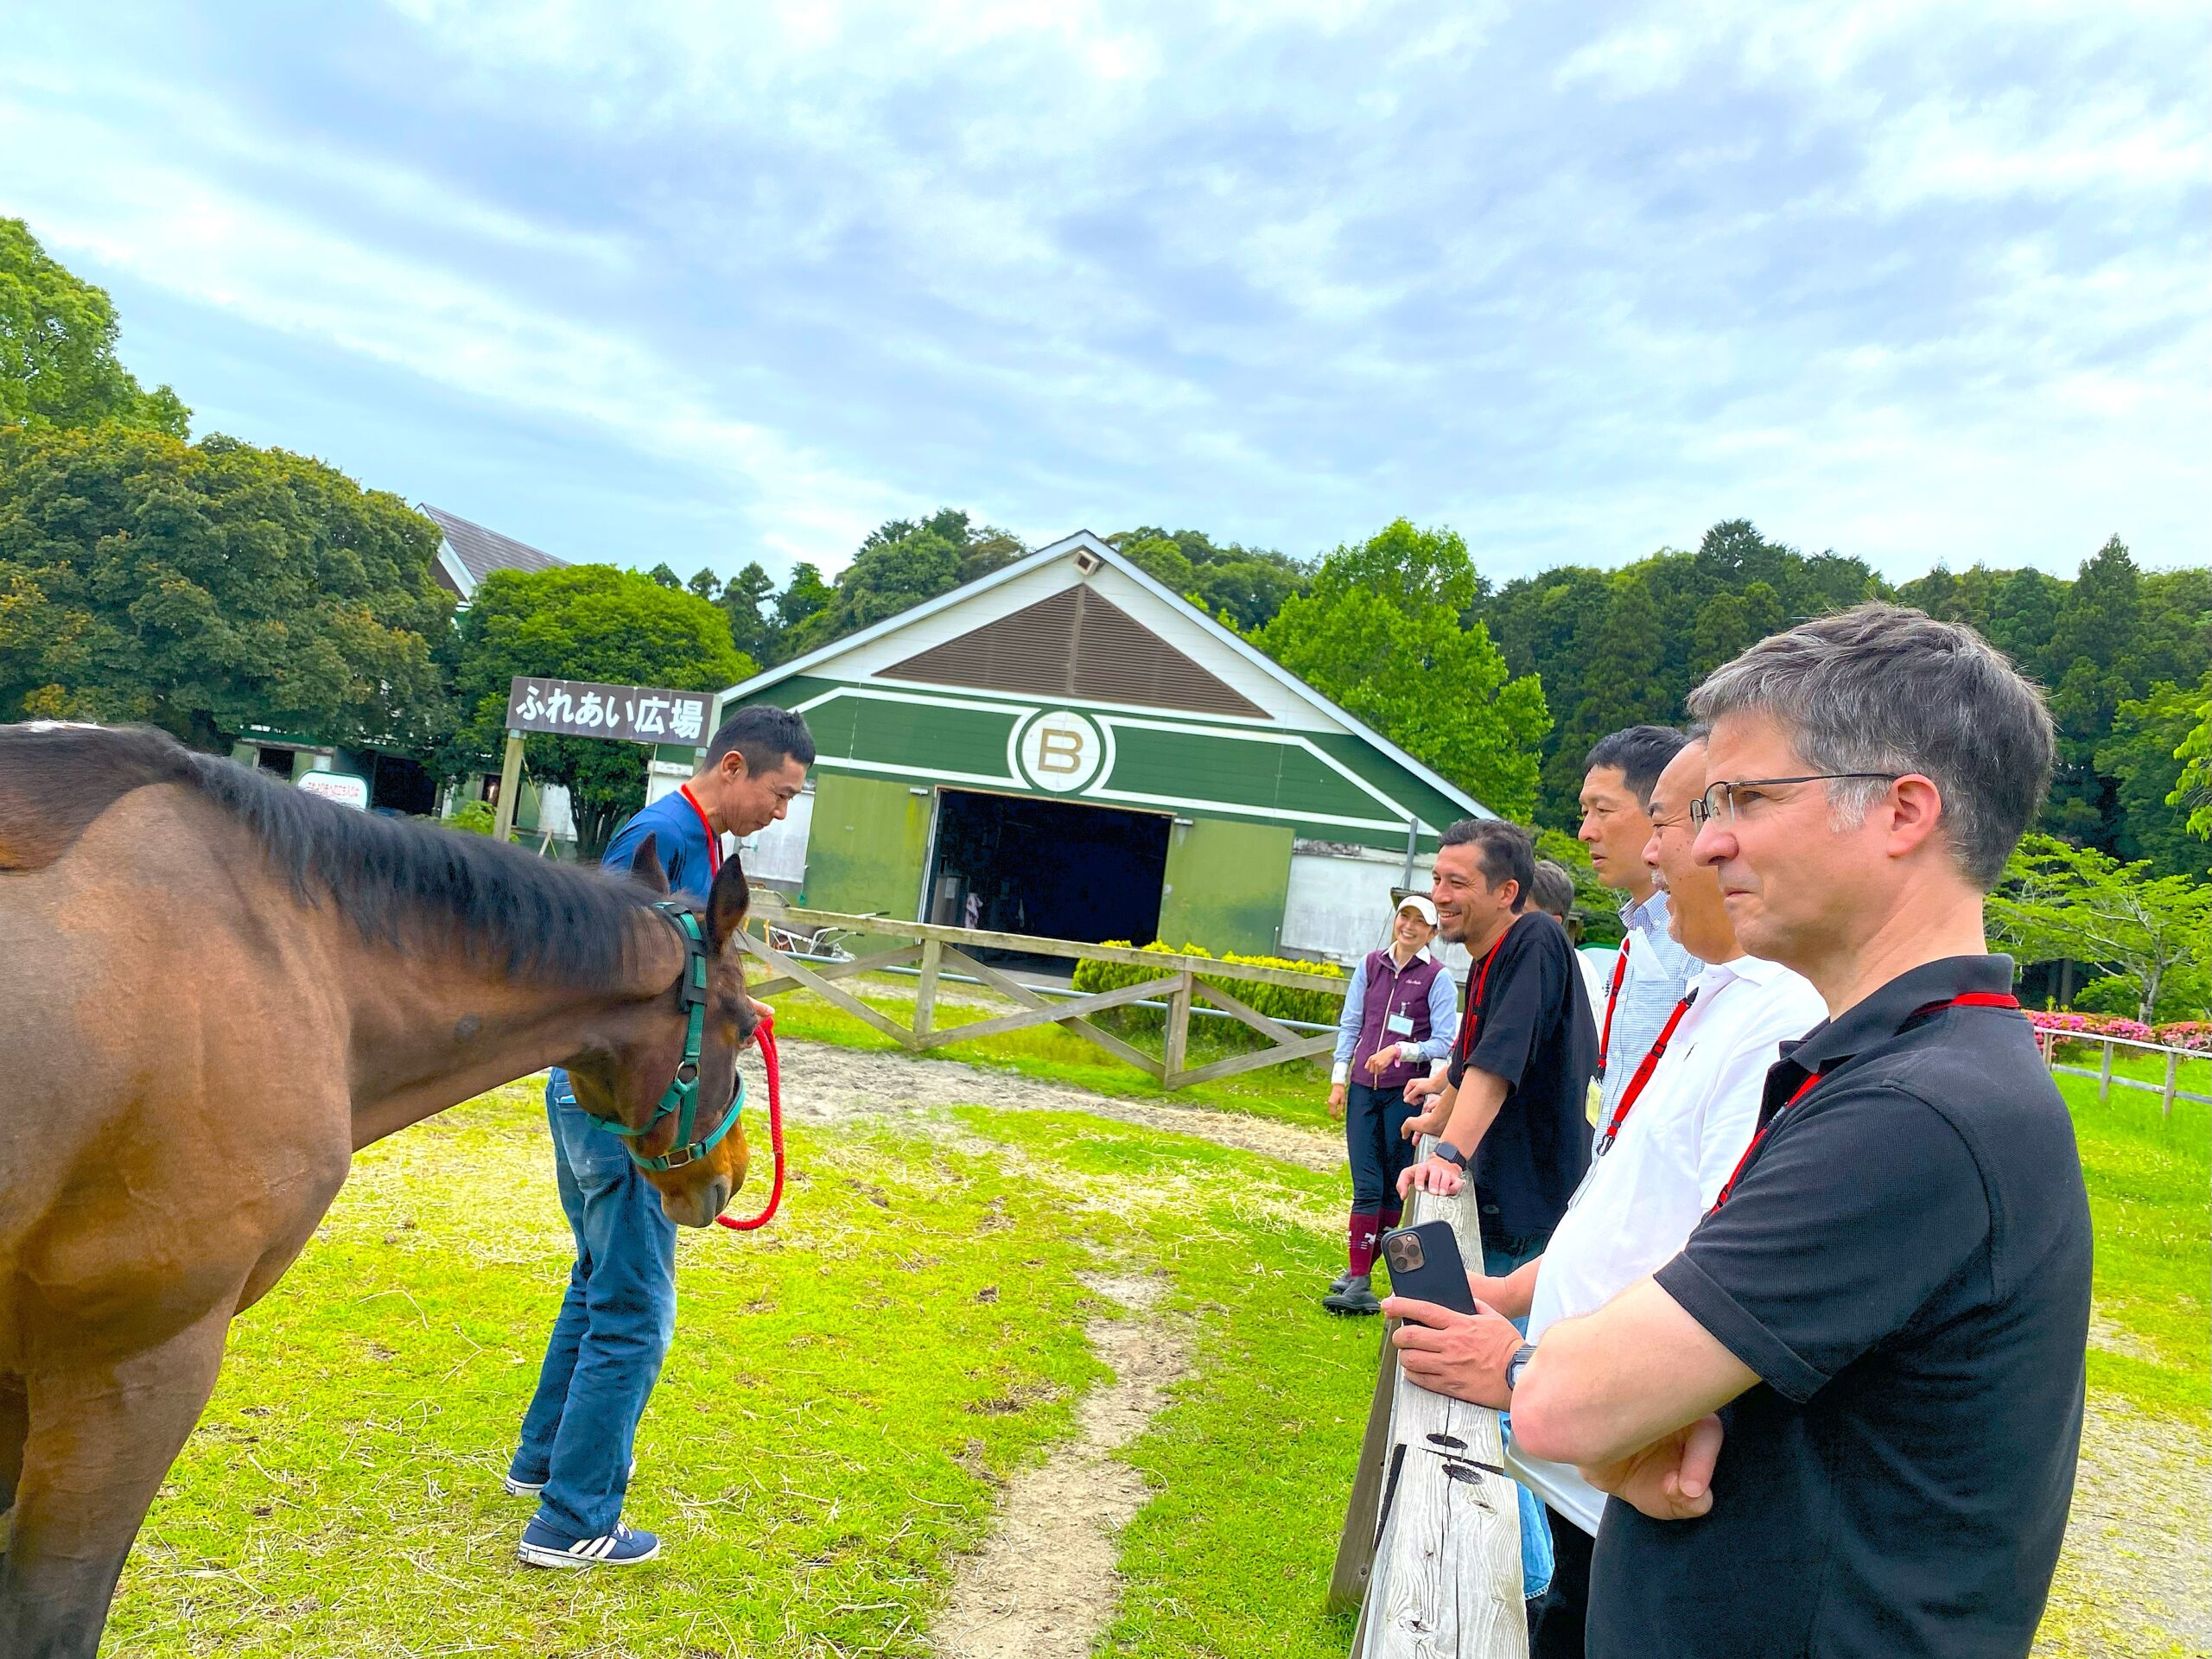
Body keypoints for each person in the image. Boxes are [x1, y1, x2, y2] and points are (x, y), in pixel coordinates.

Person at [1420, 606, 2092, 1659]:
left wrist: (1609, 1406)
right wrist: (1639, 1418)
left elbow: (1560, 1406)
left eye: (1743, 797)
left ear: (1903, 812)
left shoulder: (1914, 1112)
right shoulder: (1896, 1066)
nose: (1703, 837)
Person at [1383, 735, 1822, 1656]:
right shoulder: (1716, 991)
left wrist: (1520, 1364)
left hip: (1623, 1465)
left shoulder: (1777, 1016)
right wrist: (1521, 1293)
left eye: (1679, 820)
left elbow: (1709, 1259)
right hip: (1590, 1457)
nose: (1667, 853)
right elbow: (1632, 1193)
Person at [507, 704, 815, 1569]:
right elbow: (604, 967)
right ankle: (574, 1522)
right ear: (731, 768)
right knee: (635, 1310)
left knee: (598, 1280)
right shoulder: (658, 838)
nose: (780, 813)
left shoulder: (696, 843)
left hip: (602, 1100)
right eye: (778, 794)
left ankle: (542, 1464)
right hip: (626, 1109)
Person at [1399, 819, 1596, 1275]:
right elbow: (1469, 1066)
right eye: (1436, 879)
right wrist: (1437, 1120)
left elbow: (1496, 1064)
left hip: (1531, 1214)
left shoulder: (1534, 939)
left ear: (1507, 892)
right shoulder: (1487, 958)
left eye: (1458, 883)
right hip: (1503, 1202)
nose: (1440, 896)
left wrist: (1447, 1155)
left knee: (1504, 1342)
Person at [1322, 893, 1459, 1314]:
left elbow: (1443, 1040)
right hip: (1363, 1087)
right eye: (1405, 917)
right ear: (1396, 920)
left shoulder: (1438, 978)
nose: (1410, 926)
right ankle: (1360, 1276)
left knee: (1389, 1187)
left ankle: (1359, 1273)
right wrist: (1338, 1079)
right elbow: (1351, 1024)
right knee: (1366, 1183)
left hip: (1404, 1093)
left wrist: (1402, 1051)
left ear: (1433, 932)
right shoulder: (1369, 966)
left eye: (1421, 921)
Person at [1579, 727, 1700, 1146]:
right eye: (1584, 812)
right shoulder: (1636, 935)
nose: (1586, 832)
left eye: (1603, 810)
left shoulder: (1703, 944)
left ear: (1660, 809)